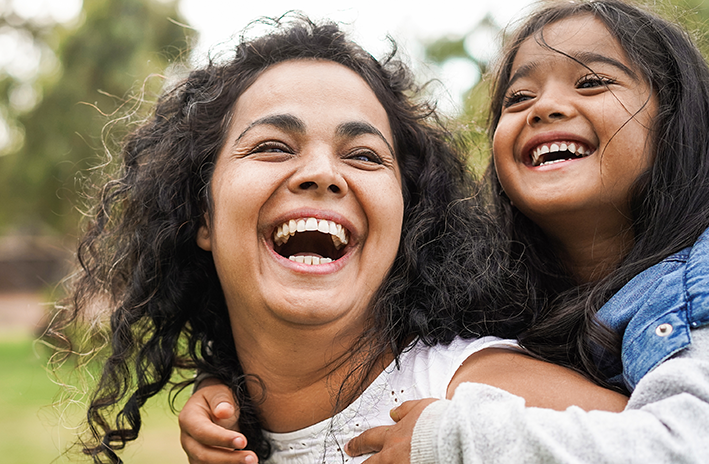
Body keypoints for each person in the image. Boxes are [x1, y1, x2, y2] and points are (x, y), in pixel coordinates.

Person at [53, 15, 625, 464]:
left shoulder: (475, 398)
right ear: (201, 215)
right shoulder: (233, 424)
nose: (324, 173)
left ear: (407, 219)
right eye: (273, 145)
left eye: (363, 155)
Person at [180, 1, 709, 463]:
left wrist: (453, 439)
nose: (544, 107)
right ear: (200, 213)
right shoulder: (525, 298)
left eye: (364, 155)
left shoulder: (690, 289)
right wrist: (234, 388)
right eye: (517, 99)